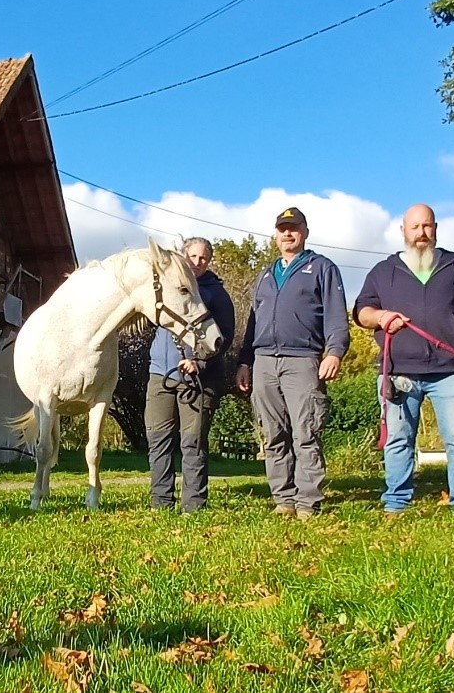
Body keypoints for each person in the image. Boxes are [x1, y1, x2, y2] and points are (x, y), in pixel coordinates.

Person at [353, 203, 454, 518]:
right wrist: (381, 316)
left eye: (427, 226)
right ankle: (396, 503)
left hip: (451, 372)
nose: (421, 233)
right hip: (398, 371)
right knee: (397, 441)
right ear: (403, 231)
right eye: (415, 227)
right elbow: (361, 311)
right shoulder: (383, 271)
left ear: (435, 228)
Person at [235, 208, 349, 520]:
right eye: (282, 229)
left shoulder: (322, 268)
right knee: (272, 435)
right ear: (275, 235)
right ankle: (283, 500)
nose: (288, 234)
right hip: (263, 362)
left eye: (293, 228)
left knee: (306, 432)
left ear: (305, 232)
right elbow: (253, 323)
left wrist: (334, 352)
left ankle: (307, 503)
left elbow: (337, 316)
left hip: (303, 360)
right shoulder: (265, 275)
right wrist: (245, 362)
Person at [144, 237, 236, 512]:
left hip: (198, 379)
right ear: (183, 256)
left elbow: (224, 338)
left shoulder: (215, 294)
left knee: (192, 442)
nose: (197, 262)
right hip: (160, 374)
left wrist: (200, 361)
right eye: (192, 256)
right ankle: (160, 502)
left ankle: (193, 506)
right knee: (158, 439)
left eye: (203, 258)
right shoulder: (169, 285)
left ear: (209, 261)